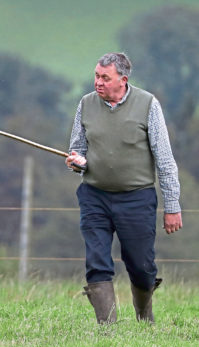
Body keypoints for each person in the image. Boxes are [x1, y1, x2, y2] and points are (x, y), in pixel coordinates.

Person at [66, 52, 182, 324]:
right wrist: (76, 162)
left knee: (142, 267)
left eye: (105, 77)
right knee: (97, 262)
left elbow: (165, 161)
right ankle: (107, 330)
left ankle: (144, 316)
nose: (98, 82)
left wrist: (172, 206)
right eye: (96, 75)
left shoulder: (148, 105)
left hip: (137, 199)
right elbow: (77, 151)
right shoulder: (85, 104)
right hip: (94, 196)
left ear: (123, 80)